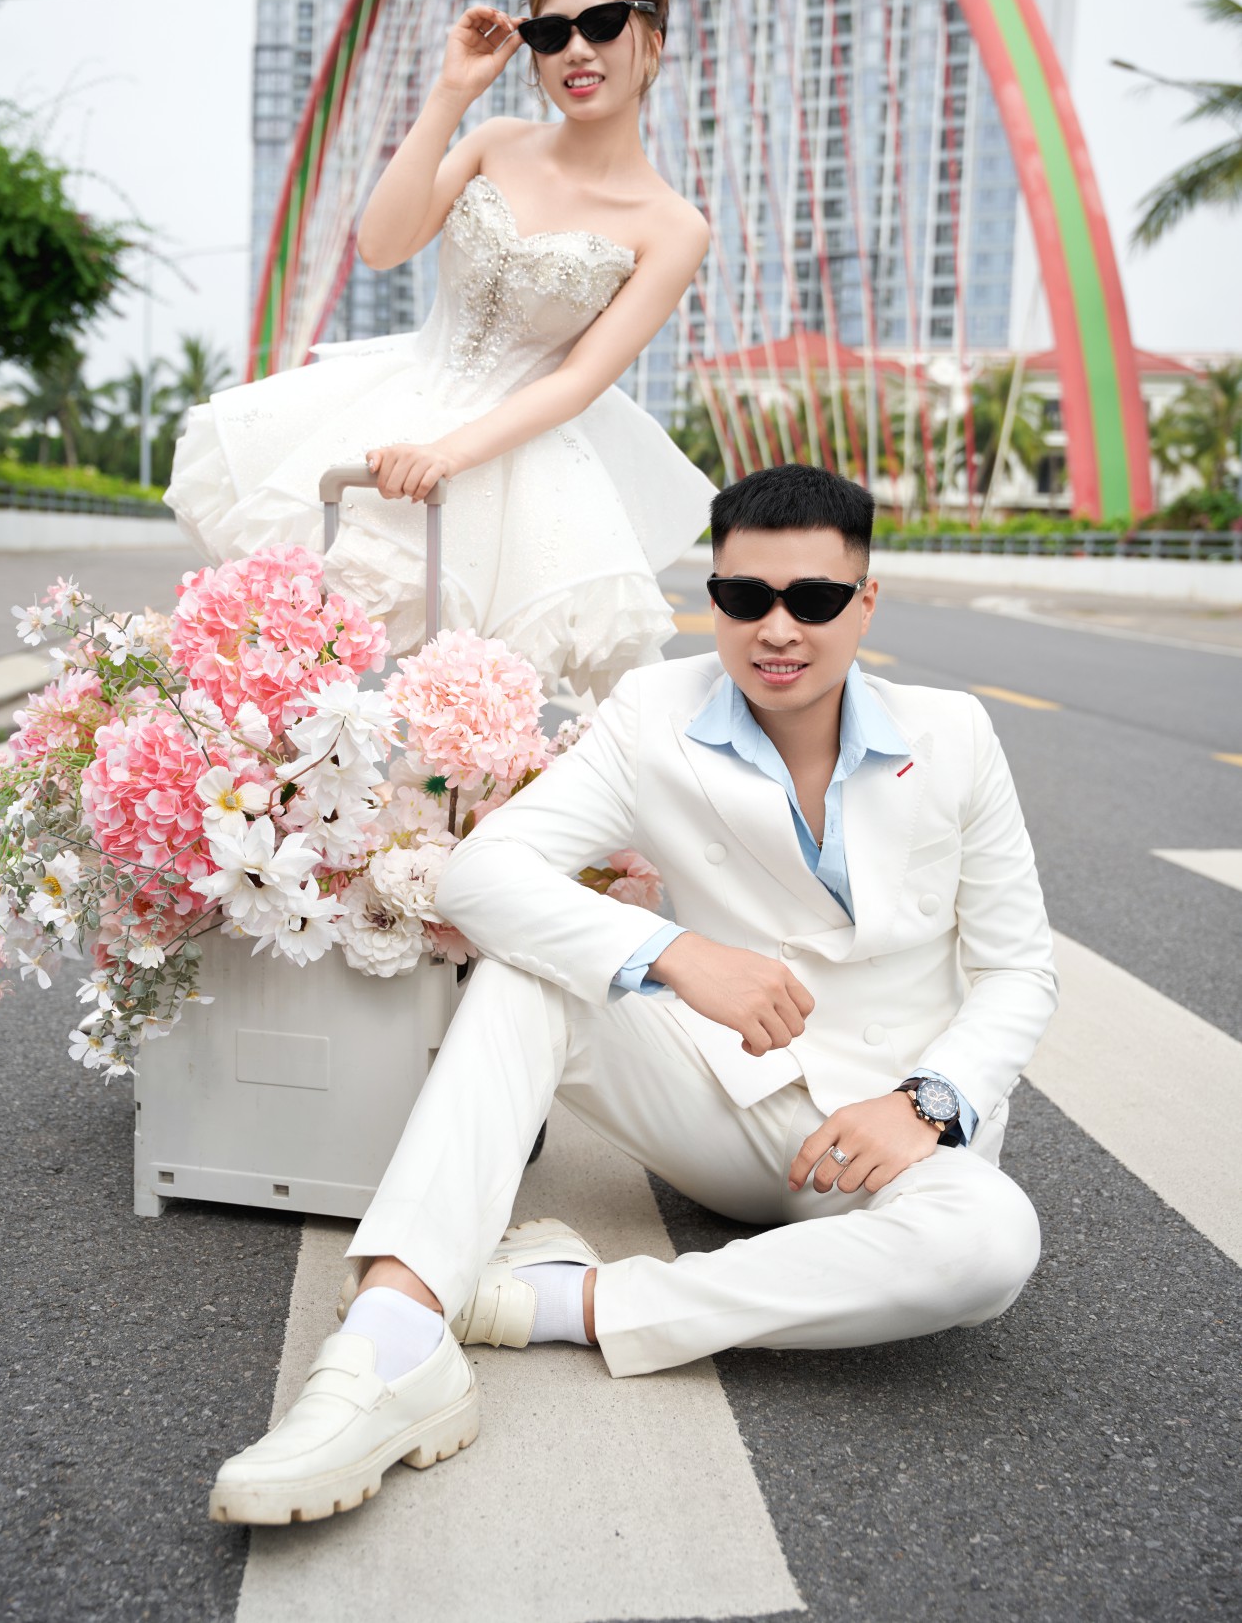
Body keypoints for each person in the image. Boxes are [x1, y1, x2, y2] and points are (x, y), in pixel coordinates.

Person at [208, 462, 1058, 1527]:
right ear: (714, 598)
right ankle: (392, 1338)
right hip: (725, 1102)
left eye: (813, 599)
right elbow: (480, 877)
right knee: (531, 966)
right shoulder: (656, 712)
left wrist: (926, 1102)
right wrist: (673, 952)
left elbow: (1020, 969)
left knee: (991, 1242)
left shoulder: (954, 735)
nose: (776, 629)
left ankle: (555, 1299)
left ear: (865, 601)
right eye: (744, 597)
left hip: (891, 1144)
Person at [165, 0, 716, 700]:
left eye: (602, 24)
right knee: (293, 673)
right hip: (390, 402)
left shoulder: (672, 225)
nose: (576, 50)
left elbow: (576, 381)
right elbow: (382, 244)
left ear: (654, 40)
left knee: (472, 709)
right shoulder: (495, 140)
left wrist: (445, 453)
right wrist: (452, 91)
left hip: (519, 464)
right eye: (551, 32)